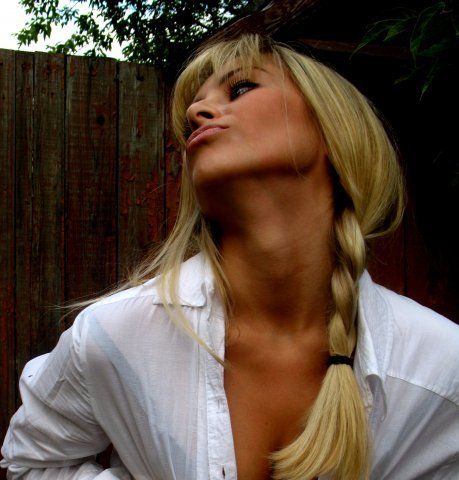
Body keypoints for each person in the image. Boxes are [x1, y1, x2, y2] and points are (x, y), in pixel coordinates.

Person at [1, 34, 458, 480]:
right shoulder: (116, 333)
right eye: (189, 120)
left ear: (331, 128)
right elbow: (31, 461)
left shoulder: (440, 369)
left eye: (240, 88)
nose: (195, 113)